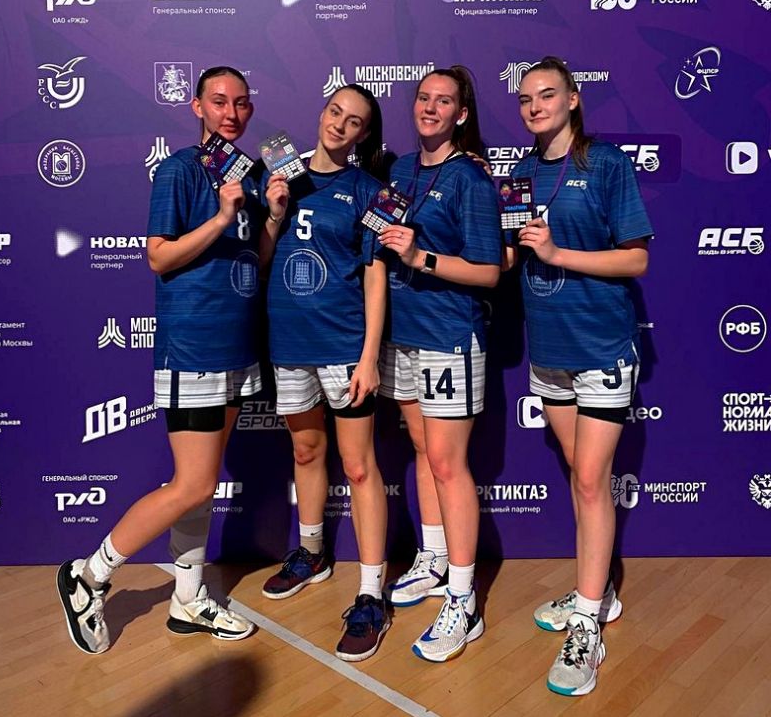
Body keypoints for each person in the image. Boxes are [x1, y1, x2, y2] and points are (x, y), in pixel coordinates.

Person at [57, 66, 262, 653]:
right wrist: (219, 217)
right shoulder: (178, 169)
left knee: (203, 484)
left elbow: (257, 256)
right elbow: (158, 257)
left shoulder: (250, 174)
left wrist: (268, 213)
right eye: (218, 101)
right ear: (197, 106)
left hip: (236, 346)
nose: (230, 113)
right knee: (192, 483)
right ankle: (89, 574)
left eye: (240, 103)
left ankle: (188, 598)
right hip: (193, 345)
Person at [507, 56, 652, 697]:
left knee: (592, 480)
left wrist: (557, 252)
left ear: (572, 99)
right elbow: (507, 254)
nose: (534, 106)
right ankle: (597, 591)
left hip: (602, 347)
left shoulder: (606, 164)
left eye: (546, 95)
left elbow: (636, 259)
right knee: (580, 475)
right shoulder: (520, 172)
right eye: (525, 99)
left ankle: (588, 622)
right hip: (549, 350)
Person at [261, 84, 390, 662]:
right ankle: (311, 553)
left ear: (364, 133)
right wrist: (273, 214)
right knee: (306, 451)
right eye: (335, 112)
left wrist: (369, 355)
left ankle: (371, 594)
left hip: (343, 346)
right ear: (321, 113)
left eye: (354, 120)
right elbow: (262, 260)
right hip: (290, 344)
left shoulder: (368, 190)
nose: (340, 124)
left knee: (359, 466)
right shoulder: (283, 179)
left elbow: (375, 276)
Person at [377, 66, 501, 662]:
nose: (429, 108)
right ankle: (433, 557)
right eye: (423, 98)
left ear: (461, 114)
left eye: (443, 101)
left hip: (449, 336)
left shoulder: (471, 178)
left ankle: (463, 599)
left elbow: (489, 272)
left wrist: (421, 257)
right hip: (401, 335)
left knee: (449, 464)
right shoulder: (400, 169)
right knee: (424, 451)